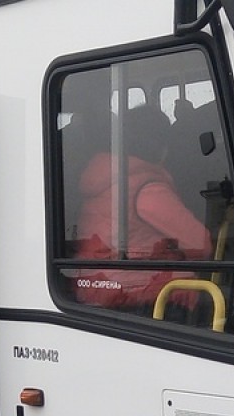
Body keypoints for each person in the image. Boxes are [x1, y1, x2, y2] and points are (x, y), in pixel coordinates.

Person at [72, 105, 212, 313]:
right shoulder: (146, 188)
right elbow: (201, 244)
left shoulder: (101, 178)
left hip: (94, 286)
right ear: (160, 146)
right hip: (134, 293)